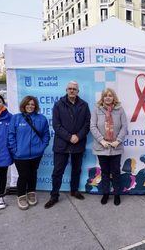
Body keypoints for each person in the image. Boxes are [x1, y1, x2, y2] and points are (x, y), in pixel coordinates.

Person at [44, 81, 91, 209]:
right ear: (66, 90)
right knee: (57, 171)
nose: (72, 91)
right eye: (70, 88)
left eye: (74, 89)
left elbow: (87, 124)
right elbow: (56, 125)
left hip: (78, 143)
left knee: (76, 169)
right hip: (62, 144)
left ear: (78, 91)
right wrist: (69, 137)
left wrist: (78, 136)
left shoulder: (84, 105)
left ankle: (74, 191)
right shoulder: (58, 105)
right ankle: (54, 195)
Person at [7, 96, 50, 210]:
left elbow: (46, 135)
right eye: (28, 104)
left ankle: (31, 192)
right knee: (23, 176)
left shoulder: (42, 119)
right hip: (20, 155)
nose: (30, 106)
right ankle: (21, 196)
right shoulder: (16, 118)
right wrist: (15, 150)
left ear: (35, 106)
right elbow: (11, 135)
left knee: (33, 174)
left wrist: (41, 147)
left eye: (32, 104)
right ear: (24, 105)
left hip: (36, 154)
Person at [90, 88, 128, 206]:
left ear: (113, 97)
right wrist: (101, 140)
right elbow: (93, 126)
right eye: (105, 95)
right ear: (102, 97)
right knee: (105, 172)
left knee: (116, 172)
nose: (108, 97)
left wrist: (118, 140)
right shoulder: (97, 109)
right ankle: (105, 193)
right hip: (102, 147)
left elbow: (124, 126)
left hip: (116, 147)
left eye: (110, 95)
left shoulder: (120, 110)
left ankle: (117, 194)